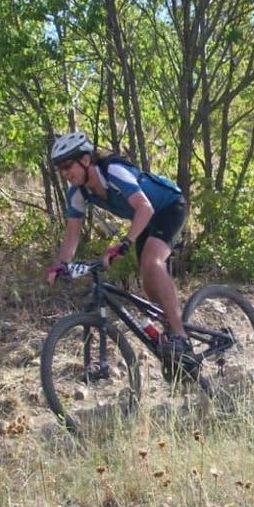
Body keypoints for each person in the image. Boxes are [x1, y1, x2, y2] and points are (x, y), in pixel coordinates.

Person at [45, 130, 192, 358]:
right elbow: (72, 232)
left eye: (67, 166)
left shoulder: (113, 171)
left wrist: (123, 244)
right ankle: (170, 330)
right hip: (146, 218)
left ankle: (181, 337)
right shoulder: (77, 192)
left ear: (85, 160)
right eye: (60, 169)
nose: (65, 173)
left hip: (169, 206)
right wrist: (60, 264)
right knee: (147, 279)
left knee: (153, 263)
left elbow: (145, 207)